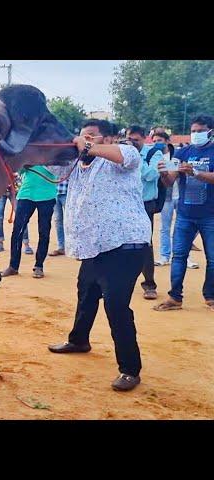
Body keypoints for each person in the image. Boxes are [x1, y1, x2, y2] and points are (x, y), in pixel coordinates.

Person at [48, 119, 151, 392]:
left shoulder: (124, 153)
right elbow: (46, 160)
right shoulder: (78, 165)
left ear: (107, 139)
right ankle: (79, 340)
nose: (84, 141)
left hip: (126, 244)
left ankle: (130, 369)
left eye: (92, 136)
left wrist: (89, 146)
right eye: (82, 136)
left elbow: (122, 156)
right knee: (86, 292)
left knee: (116, 305)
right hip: (95, 245)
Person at [154, 115, 214, 312]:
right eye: (194, 131)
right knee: (178, 255)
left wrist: (195, 173)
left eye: (200, 130)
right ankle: (175, 297)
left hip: (210, 215)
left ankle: (211, 296)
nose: (196, 134)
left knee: (212, 258)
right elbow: (170, 181)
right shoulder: (182, 152)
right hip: (185, 214)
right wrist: (164, 172)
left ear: (210, 131)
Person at [1, 165, 57, 279]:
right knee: (17, 231)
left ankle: (39, 266)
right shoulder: (30, 149)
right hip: (26, 194)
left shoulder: (52, 152)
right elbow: (18, 169)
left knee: (44, 231)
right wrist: (24, 163)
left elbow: (59, 170)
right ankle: (13, 266)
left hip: (47, 195)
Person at [128, 125, 163, 300]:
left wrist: (134, 158)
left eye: (136, 139)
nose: (132, 142)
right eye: (130, 139)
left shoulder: (153, 154)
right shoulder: (122, 152)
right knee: (119, 243)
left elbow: (151, 175)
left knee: (145, 244)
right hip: (125, 204)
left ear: (144, 138)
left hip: (145, 204)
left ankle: (149, 284)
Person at [0, 186, 32, 253]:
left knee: (22, 217)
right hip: (0, 191)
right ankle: (0, 242)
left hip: (15, 190)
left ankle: (26, 243)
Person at [48, 179, 67, 256]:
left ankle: (77, 248)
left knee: (71, 221)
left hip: (68, 192)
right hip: (54, 193)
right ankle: (61, 247)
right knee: (57, 220)